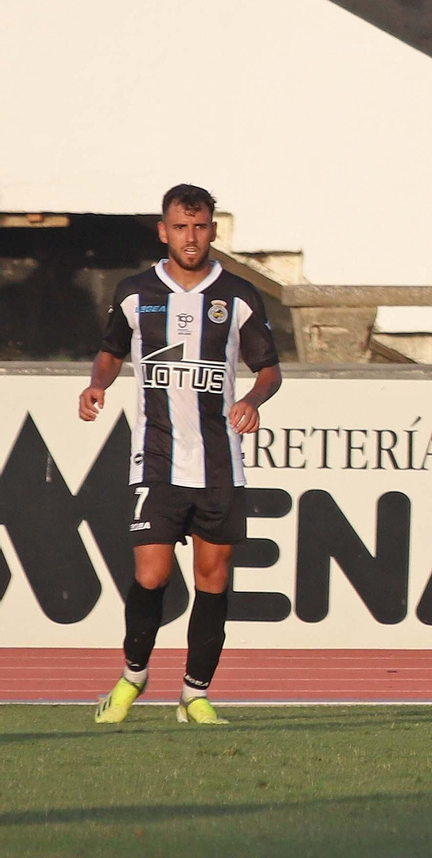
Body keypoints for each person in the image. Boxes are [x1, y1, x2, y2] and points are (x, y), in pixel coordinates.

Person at [82, 183, 282, 725]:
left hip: (220, 464)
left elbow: (269, 369)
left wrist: (253, 398)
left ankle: (194, 694)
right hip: (158, 456)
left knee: (213, 580)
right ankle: (133, 676)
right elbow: (111, 350)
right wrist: (98, 384)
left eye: (200, 227)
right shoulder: (134, 292)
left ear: (213, 230)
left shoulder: (239, 296)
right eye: (180, 227)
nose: (190, 238)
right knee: (151, 575)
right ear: (163, 231)